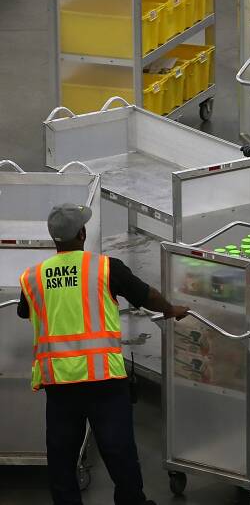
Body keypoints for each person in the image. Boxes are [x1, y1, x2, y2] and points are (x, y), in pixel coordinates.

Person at [17, 203, 189, 505]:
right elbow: (145, 294)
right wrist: (171, 309)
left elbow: (24, 312)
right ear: (82, 234)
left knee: (61, 458)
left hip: (59, 383)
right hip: (103, 380)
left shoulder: (33, 278)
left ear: (54, 239)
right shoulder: (107, 268)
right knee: (119, 451)